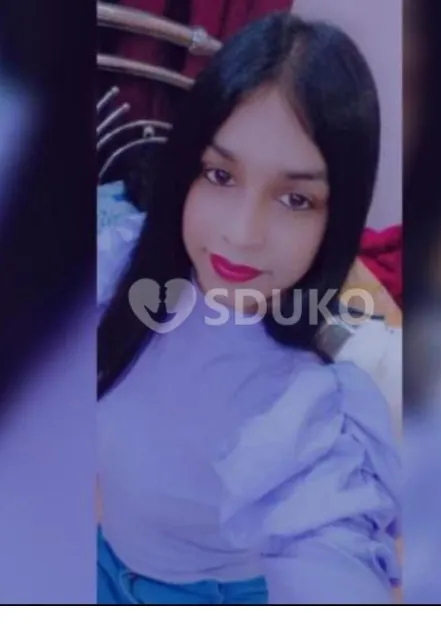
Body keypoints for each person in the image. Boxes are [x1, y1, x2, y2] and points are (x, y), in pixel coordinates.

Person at [97, 12, 400, 605]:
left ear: (337, 216)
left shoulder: (315, 399)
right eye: (219, 174)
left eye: (295, 199)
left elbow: (330, 549)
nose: (241, 233)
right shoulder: (122, 271)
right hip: (100, 563)